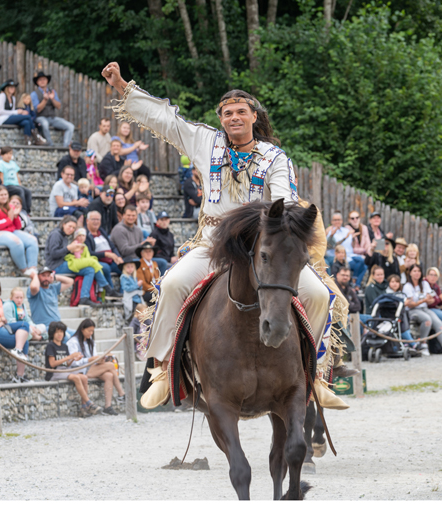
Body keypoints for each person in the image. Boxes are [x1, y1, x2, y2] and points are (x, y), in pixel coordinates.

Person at [102, 63, 333, 409]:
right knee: (171, 285)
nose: (234, 117)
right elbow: (166, 120)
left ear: (254, 116)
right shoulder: (205, 141)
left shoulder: (275, 158)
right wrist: (122, 86)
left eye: (241, 111)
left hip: (259, 247)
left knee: (317, 294)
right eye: (227, 112)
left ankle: (310, 374)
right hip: (212, 243)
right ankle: (163, 370)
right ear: (221, 118)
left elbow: (282, 203)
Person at [45, 216, 119, 307]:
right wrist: (69, 248)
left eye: (73, 227)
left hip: (64, 263)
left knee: (90, 270)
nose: (71, 229)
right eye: (69, 226)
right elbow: (53, 253)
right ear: (63, 224)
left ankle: (84, 298)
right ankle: (108, 289)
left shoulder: (64, 236)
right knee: (92, 262)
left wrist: (71, 250)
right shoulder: (56, 234)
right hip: (56, 266)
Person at [66, 318, 125, 415]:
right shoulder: (73, 342)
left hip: (92, 368)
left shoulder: (91, 342)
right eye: (89, 331)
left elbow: (94, 357)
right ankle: (121, 393)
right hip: (80, 369)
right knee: (110, 365)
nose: (91, 333)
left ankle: (108, 406)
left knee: (109, 375)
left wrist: (100, 360)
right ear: (82, 329)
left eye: (92, 331)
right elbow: (73, 363)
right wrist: (89, 360)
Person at [0, 186, 39, 277]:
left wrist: (16, 216)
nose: (4, 197)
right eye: (1, 195)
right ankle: (24, 270)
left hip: (9, 231)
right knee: (16, 241)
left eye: (5, 194)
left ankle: (32, 269)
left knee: (32, 240)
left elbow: (18, 226)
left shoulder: (9, 206)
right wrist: (9, 219)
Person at [44, 321, 101, 417]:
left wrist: (73, 359)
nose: (60, 334)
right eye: (57, 332)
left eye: (62, 332)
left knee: (83, 377)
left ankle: (84, 407)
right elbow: (52, 364)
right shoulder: (50, 346)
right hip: (54, 372)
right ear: (52, 333)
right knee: (76, 377)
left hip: (64, 370)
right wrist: (68, 357)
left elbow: (66, 364)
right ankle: (89, 403)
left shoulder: (64, 346)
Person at [402, 263, 442, 355]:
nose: (417, 273)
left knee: (438, 322)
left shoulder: (424, 284)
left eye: (419, 271)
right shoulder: (407, 286)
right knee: (427, 320)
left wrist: (432, 300)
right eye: (414, 271)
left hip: (424, 308)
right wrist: (424, 300)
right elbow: (410, 305)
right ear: (410, 273)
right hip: (413, 311)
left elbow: (431, 300)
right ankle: (423, 345)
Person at [30, 71, 75, 147]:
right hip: (40, 117)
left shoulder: (52, 92)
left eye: (44, 79)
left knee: (70, 126)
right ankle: (50, 144)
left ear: (47, 81)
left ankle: (65, 146)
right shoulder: (34, 94)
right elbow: (37, 109)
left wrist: (52, 99)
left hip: (52, 118)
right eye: (40, 80)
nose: (42, 81)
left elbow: (58, 106)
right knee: (44, 124)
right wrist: (45, 100)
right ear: (37, 82)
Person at [27, 268, 76, 338]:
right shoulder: (35, 291)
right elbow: (34, 287)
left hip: (58, 325)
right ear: (38, 277)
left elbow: (70, 281)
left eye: (48, 275)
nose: (46, 278)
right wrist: (34, 276)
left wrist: (55, 277)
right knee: (66, 337)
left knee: (79, 335)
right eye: (43, 276)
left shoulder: (53, 288)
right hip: (45, 328)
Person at [84, 210, 124, 290]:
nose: (96, 222)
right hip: (96, 261)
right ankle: (111, 292)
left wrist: (118, 256)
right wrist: (106, 254)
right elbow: (89, 253)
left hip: (111, 261)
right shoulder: (85, 235)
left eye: (98, 219)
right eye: (93, 219)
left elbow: (112, 247)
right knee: (105, 268)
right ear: (87, 221)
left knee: (126, 266)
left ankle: (124, 293)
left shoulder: (101, 231)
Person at [0, 80, 41, 145]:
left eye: (13, 87)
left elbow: (12, 111)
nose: (12, 88)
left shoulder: (13, 98)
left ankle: (28, 141)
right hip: (2, 119)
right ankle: (37, 136)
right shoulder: (2, 96)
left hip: (10, 117)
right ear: (6, 88)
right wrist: (17, 112)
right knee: (28, 116)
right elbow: (1, 111)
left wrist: (18, 112)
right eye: (10, 87)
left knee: (26, 122)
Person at [0, 146, 31, 213]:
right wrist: (2, 185)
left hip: (16, 184)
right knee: (20, 191)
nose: (8, 155)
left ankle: (28, 211)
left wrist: (19, 184)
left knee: (28, 191)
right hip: (7, 185)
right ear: (2, 155)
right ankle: (23, 210)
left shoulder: (13, 163)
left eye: (10, 153)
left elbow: (17, 175)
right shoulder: (1, 163)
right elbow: (1, 175)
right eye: (6, 154)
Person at [346, 210, 370, 286]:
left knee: (365, 266)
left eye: (357, 217)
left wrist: (368, 251)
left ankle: (357, 285)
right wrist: (363, 250)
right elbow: (350, 248)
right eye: (352, 218)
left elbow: (368, 243)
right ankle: (355, 281)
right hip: (351, 256)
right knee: (362, 262)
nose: (355, 220)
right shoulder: (347, 229)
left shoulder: (364, 228)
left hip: (363, 255)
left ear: (359, 218)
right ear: (349, 220)